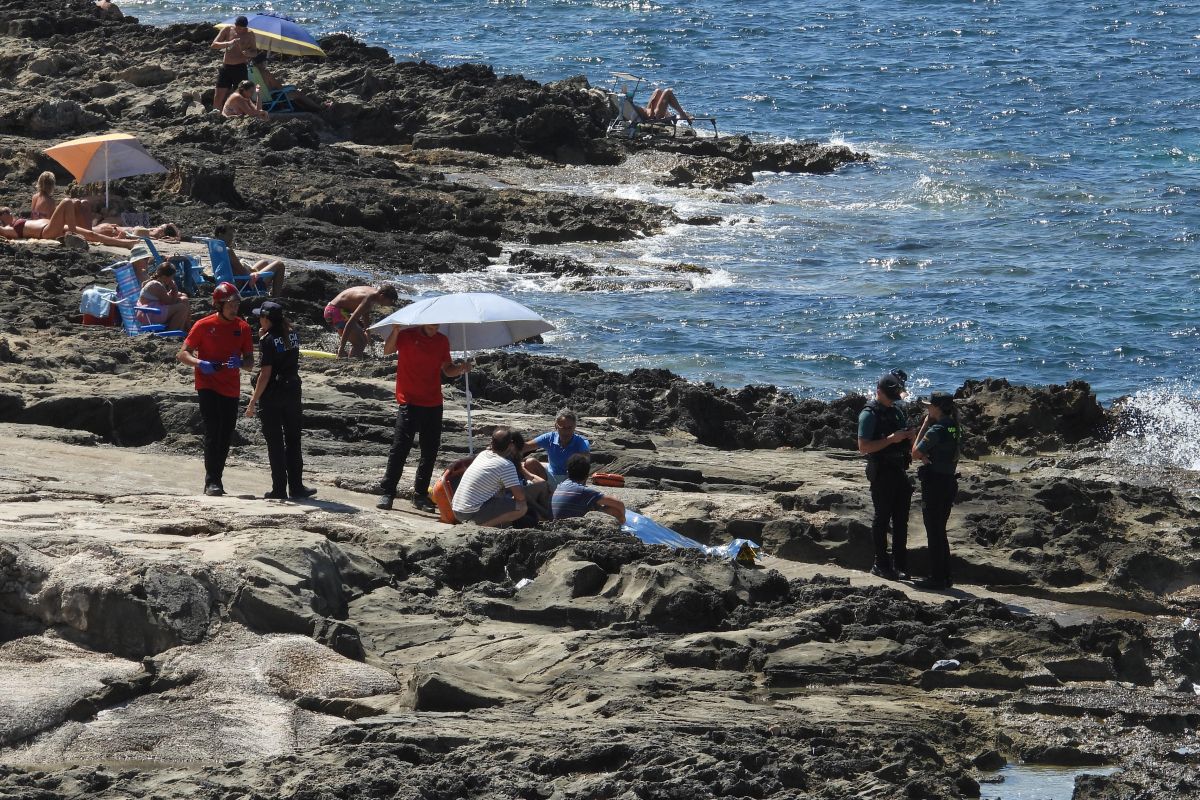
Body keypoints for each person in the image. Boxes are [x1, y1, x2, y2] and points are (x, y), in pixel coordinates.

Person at [376, 323, 473, 511]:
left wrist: (462, 368)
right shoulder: (405, 335)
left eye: (438, 324)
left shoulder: (442, 340)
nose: (435, 326)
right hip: (409, 402)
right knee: (400, 449)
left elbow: (447, 369)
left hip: (434, 402)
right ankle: (387, 492)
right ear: (422, 321)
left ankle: (420, 495)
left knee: (429, 452)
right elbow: (387, 351)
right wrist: (395, 332)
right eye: (431, 323)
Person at [176, 282, 254, 497]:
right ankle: (212, 481)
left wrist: (240, 363)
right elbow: (183, 354)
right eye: (231, 303)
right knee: (213, 430)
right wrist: (200, 363)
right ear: (219, 304)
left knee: (226, 433)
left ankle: (217, 476)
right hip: (207, 384)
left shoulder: (243, 327)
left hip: (231, 387)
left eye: (237, 303)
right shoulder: (203, 325)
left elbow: (250, 362)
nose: (235, 307)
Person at [246, 301, 316, 501]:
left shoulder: (268, 340)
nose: (259, 319)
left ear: (267, 319)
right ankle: (297, 486)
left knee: (275, 442)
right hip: (293, 391)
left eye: (261, 317)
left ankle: (279, 488)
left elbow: (265, 374)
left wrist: (253, 401)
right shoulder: (292, 334)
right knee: (294, 440)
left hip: (273, 395)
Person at [857, 372, 915, 581]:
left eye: (895, 398)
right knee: (882, 518)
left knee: (901, 520)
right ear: (878, 392)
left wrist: (909, 436)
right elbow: (863, 447)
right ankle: (880, 563)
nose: (893, 401)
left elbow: (904, 439)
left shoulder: (897, 411)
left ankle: (900, 564)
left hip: (899, 469)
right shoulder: (869, 414)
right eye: (890, 397)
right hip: (881, 471)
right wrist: (891, 439)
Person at [912, 392, 962, 591]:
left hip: (935, 484)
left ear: (938, 408)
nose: (927, 409)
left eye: (929, 406)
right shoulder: (955, 427)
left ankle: (936, 577)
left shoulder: (937, 429)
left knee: (934, 531)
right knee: (940, 530)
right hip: (949, 482)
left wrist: (925, 425)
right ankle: (945, 576)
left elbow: (915, 452)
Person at [451, 427, 529, 527]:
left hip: (456, 509)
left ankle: (490, 523)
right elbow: (520, 496)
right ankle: (481, 527)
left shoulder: (483, 454)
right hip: (470, 512)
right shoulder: (506, 465)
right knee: (522, 507)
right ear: (510, 445)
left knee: (500, 494)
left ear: (491, 442)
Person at [326, 284, 401, 358]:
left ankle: (349, 357)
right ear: (382, 296)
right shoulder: (368, 300)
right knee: (360, 343)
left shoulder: (373, 294)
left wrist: (367, 332)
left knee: (363, 340)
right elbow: (350, 323)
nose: (390, 304)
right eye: (390, 301)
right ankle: (349, 359)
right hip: (334, 313)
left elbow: (365, 313)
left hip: (335, 311)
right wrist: (341, 347)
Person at [522, 409, 590, 490]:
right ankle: (545, 490)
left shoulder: (581, 443)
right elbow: (525, 447)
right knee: (529, 462)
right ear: (556, 426)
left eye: (570, 428)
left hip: (569, 480)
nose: (567, 431)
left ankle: (549, 493)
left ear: (575, 426)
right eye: (563, 428)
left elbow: (585, 468)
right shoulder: (550, 437)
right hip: (551, 474)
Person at [213, 223, 286, 297]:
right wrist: (253, 273)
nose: (231, 238)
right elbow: (244, 272)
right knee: (279, 265)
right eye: (229, 235)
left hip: (230, 282)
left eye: (232, 235)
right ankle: (276, 298)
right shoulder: (227, 251)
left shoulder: (215, 248)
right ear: (220, 235)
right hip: (244, 285)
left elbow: (236, 269)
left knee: (264, 263)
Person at [552, 453, 626, 523]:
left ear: (567, 473)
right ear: (586, 476)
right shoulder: (584, 491)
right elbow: (619, 504)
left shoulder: (560, 486)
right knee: (614, 510)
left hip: (558, 524)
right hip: (576, 526)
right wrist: (623, 518)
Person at [211, 15, 258, 112]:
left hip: (240, 68)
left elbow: (254, 52)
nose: (239, 30)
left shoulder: (250, 34)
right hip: (226, 67)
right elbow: (214, 45)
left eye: (242, 28)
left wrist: (248, 53)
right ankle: (215, 116)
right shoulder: (228, 30)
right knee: (218, 95)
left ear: (245, 27)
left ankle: (243, 116)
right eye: (238, 27)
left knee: (242, 96)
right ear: (235, 25)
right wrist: (228, 43)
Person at [137, 263, 191, 333]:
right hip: (150, 313)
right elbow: (170, 302)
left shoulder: (157, 283)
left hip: (151, 310)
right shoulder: (156, 285)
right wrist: (174, 288)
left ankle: (186, 328)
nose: (172, 279)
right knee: (181, 308)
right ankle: (173, 332)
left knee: (184, 299)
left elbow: (164, 297)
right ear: (165, 277)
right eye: (171, 277)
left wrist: (176, 293)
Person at [0, 199, 86, 241]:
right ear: (1, 217)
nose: (9, 212)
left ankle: (75, 236)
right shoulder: (9, 229)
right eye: (6, 212)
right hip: (46, 231)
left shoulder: (14, 223)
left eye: (9, 211)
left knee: (91, 234)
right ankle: (74, 237)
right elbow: (2, 231)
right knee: (67, 202)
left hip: (53, 227)